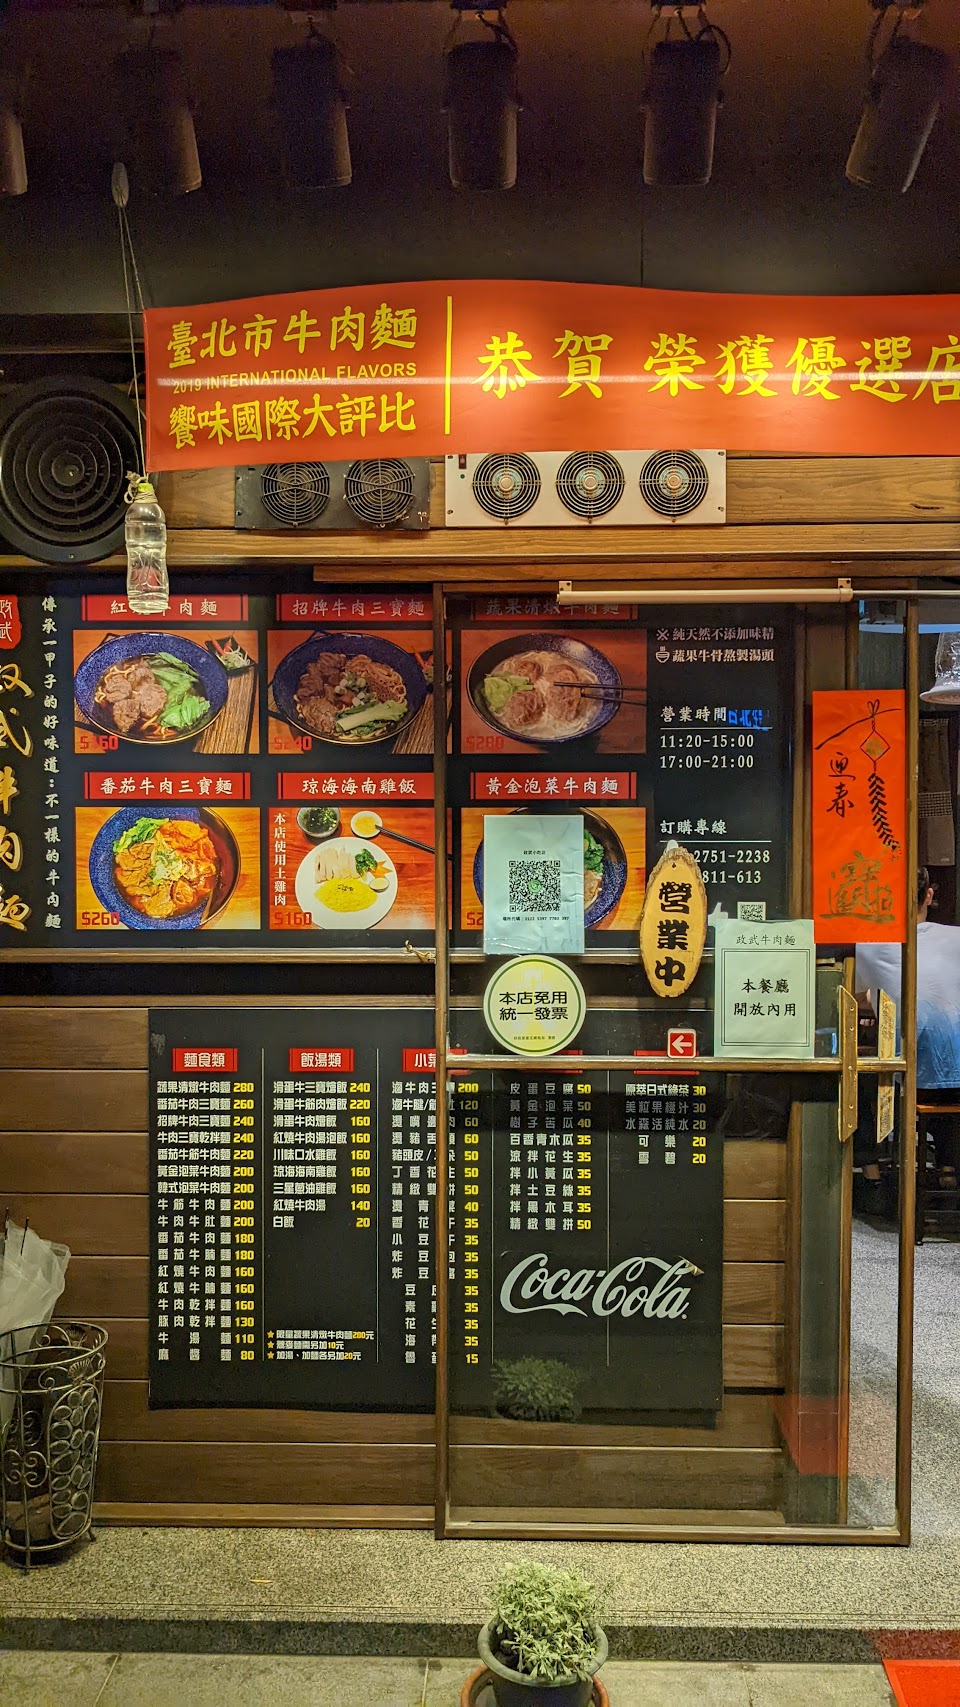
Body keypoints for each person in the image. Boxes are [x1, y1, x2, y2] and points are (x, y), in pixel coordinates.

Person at [854, 868, 960, 1212]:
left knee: (860, 1079)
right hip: (953, 1076)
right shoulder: (955, 938)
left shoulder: (871, 945)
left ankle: (873, 1178)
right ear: (929, 895)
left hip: (912, 1073)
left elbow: (859, 997)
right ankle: (948, 1168)